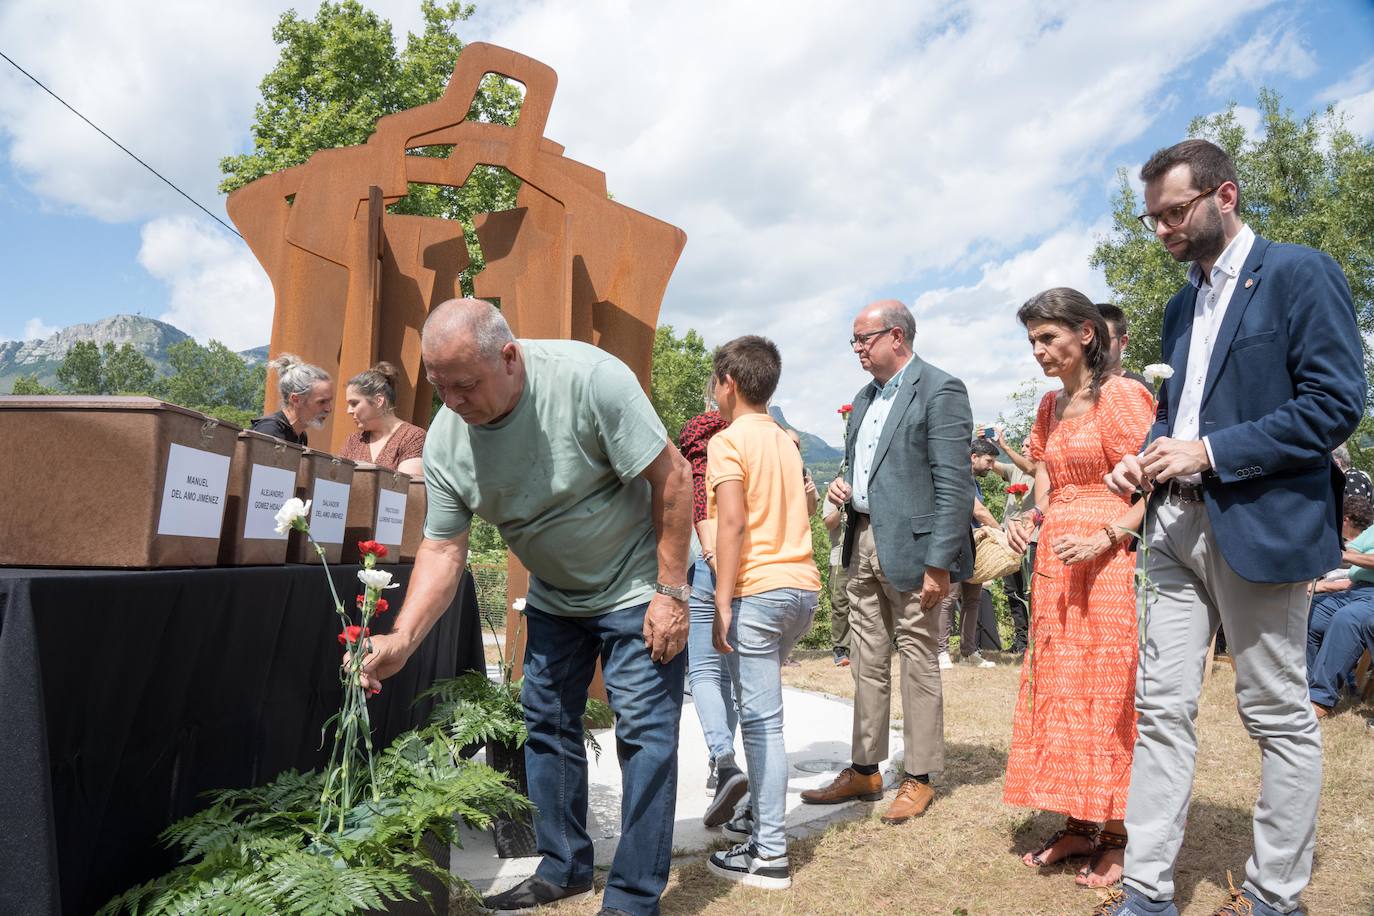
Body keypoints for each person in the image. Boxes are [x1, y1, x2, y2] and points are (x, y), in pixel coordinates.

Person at [1097, 139, 1364, 916]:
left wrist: (1209, 452)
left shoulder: (1297, 272)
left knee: (1277, 715)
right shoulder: (1181, 306)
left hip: (1259, 525)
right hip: (1172, 531)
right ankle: (1147, 892)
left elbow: (1333, 404)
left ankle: (1277, 896)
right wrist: (1143, 459)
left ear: (1226, 195)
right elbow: (1181, 416)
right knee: (1161, 711)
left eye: (1173, 212)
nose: (1161, 231)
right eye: (1152, 219)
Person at [357, 299, 693, 916]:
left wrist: (671, 592)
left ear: (509, 358)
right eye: (440, 388)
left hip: (639, 583)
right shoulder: (448, 443)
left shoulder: (590, 380)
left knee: (645, 735)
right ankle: (564, 867)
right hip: (557, 597)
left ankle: (633, 897)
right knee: (546, 725)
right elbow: (442, 549)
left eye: (466, 385)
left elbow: (672, 478)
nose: (454, 403)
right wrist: (402, 637)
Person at [800, 299, 974, 826]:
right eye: (853, 340)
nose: (856, 348)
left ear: (896, 336)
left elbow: (955, 484)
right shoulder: (864, 398)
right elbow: (869, 469)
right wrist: (845, 486)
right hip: (862, 543)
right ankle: (864, 770)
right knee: (866, 661)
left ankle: (919, 778)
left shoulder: (941, 389)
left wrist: (939, 563)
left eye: (863, 339)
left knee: (918, 661)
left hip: (917, 553)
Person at [1002, 288, 1153, 889]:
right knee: (1062, 693)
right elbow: (1046, 479)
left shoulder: (1122, 397)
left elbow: (1152, 488)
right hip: (1055, 568)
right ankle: (1078, 823)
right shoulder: (1047, 405)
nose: (1038, 351)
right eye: (1032, 340)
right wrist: (1028, 519)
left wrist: (1108, 536)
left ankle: (1118, 834)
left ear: (1085, 334)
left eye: (1048, 338)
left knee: (1110, 693)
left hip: (1108, 564)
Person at [703, 336, 821, 890]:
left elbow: (731, 525)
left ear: (727, 382)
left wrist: (722, 599)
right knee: (763, 716)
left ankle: (769, 853)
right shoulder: (787, 441)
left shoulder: (728, 443)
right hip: (802, 591)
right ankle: (759, 818)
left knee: (761, 723)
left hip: (758, 591)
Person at [677, 379, 745, 821]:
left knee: (703, 669)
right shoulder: (765, 438)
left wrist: (705, 549)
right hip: (756, 563)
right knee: (736, 676)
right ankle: (726, 764)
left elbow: (697, 500)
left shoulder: (699, 437)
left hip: (707, 559)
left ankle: (723, 760)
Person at [1308, 494, 1374, 718]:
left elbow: (1349, 555)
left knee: (1347, 618)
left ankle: (1321, 699)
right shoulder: (1371, 531)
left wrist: (1349, 556)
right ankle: (1304, 687)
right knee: (1311, 611)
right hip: (1355, 589)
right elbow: (1350, 552)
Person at [975, 434, 1037, 656]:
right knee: (1012, 591)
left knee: (1031, 591)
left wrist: (1005, 446)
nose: (1024, 448)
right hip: (1009, 540)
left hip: (1031, 539)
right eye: (1022, 445)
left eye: (1028, 445)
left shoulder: (1040, 470)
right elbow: (990, 464)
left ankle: (1035, 641)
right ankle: (1021, 641)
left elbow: (1029, 467)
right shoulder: (1014, 471)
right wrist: (989, 444)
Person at [936, 448, 996, 669]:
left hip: (974, 546)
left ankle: (969, 652)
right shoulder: (959, 479)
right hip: (955, 545)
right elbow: (979, 512)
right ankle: (940, 652)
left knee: (973, 599)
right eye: (988, 461)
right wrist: (1000, 533)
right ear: (974, 457)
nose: (991, 466)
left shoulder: (975, 482)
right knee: (948, 598)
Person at [337, 361, 426, 476]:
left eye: (354, 403)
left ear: (378, 401)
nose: (349, 411)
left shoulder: (413, 437)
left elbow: (406, 488)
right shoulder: (353, 442)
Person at [251, 353, 332, 446]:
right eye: (321, 402)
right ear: (296, 400)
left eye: (329, 401)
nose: (328, 409)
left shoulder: (301, 436)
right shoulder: (269, 431)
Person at [822, 500, 852, 667]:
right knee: (840, 604)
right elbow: (829, 523)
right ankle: (840, 648)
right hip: (839, 557)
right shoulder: (835, 493)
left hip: (863, 555)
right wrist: (843, 508)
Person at [1096, 303, 1151, 389]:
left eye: (1104, 340)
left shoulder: (1142, 388)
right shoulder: (1075, 391)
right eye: (1091, 340)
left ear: (1122, 343)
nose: (1096, 346)